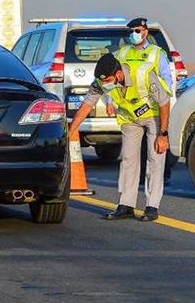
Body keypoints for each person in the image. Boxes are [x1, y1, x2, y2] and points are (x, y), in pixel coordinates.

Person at [69, 53, 171, 222]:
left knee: (155, 159)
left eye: (107, 81)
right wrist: (72, 130)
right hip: (130, 119)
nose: (104, 85)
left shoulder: (142, 74)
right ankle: (126, 205)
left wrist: (163, 134)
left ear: (118, 74)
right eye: (102, 82)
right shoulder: (101, 83)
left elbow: (164, 102)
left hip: (154, 117)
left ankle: (152, 206)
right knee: (128, 160)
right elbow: (87, 104)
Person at [105, 18, 177, 185]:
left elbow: (166, 79)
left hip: (153, 109)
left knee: (156, 152)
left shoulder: (156, 53)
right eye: (131, 31)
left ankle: (157, 190)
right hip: (130, 111)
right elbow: (112, 78)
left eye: (137, 31)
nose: (134, 34)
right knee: (129, 157)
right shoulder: (122, 53)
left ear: (146, 32)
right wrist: (110, 100)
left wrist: (161, 99)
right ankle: (128, 198)